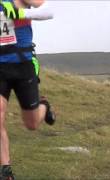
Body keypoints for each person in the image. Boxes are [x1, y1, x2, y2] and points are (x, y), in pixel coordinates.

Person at [0, 0, 55, 179]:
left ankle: (44, 105)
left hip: (23, 64)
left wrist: (19, 13)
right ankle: (6, 170)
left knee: (31, 124)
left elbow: (49, 11)